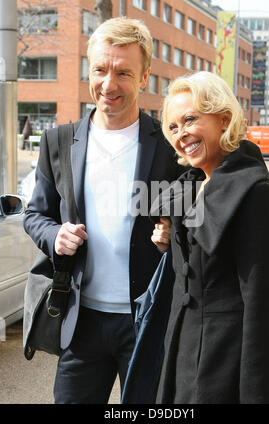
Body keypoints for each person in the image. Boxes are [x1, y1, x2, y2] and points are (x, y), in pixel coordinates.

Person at [23, 17, 180, 404]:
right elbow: (35, 214)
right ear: (88, 70)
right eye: (100, 70)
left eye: (124, 72)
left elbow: (189, 221)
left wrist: (171, 237)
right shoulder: (59, 141)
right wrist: (54, 235)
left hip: (147, 321)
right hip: (82, 321)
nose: (109, 85)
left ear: (144, 78)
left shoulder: (168, 146)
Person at [150, 71, 269, 403]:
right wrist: (168, 242)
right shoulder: (191, 186)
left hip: (228, 369)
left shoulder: (255, 195)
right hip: (182, 354)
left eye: (190, 119)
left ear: (224, 119)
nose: (181, 133)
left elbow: (264, 313)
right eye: (173, 127)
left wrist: (255, 395)